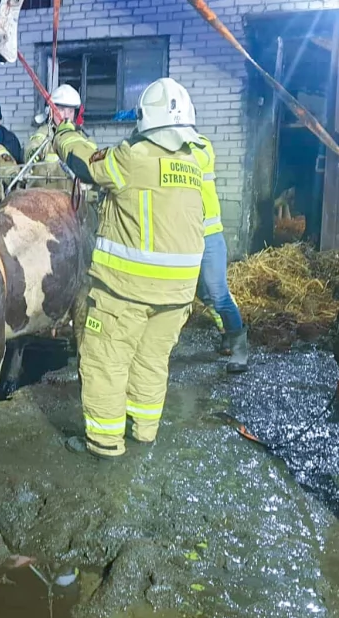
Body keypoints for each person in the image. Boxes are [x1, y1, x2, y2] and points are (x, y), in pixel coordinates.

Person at [53, 77, 204, 459]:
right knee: (151, 361)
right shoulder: (196, 159)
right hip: (179, 294)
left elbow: (85, 163)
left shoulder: (131, 158)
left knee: (105, 361)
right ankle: (144, 430)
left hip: (127, 291)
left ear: (145, 119)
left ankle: (104, 444)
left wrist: (64, 131)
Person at [192, 134, 249, 373]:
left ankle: (240, 350)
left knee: (218, 292)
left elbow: (196, 159)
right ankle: (225, 332)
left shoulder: (200, 145)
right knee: (202, 293)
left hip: (209, 234)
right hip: (184, 237)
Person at [26, 84, 81, 192]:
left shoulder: (81, 137)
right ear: (50, 111)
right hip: (45, 202)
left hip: (70, 203)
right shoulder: (43, 134)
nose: (66, 116)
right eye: (60, 110)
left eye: (70, 111)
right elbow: (32, 146)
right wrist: (32, 153)